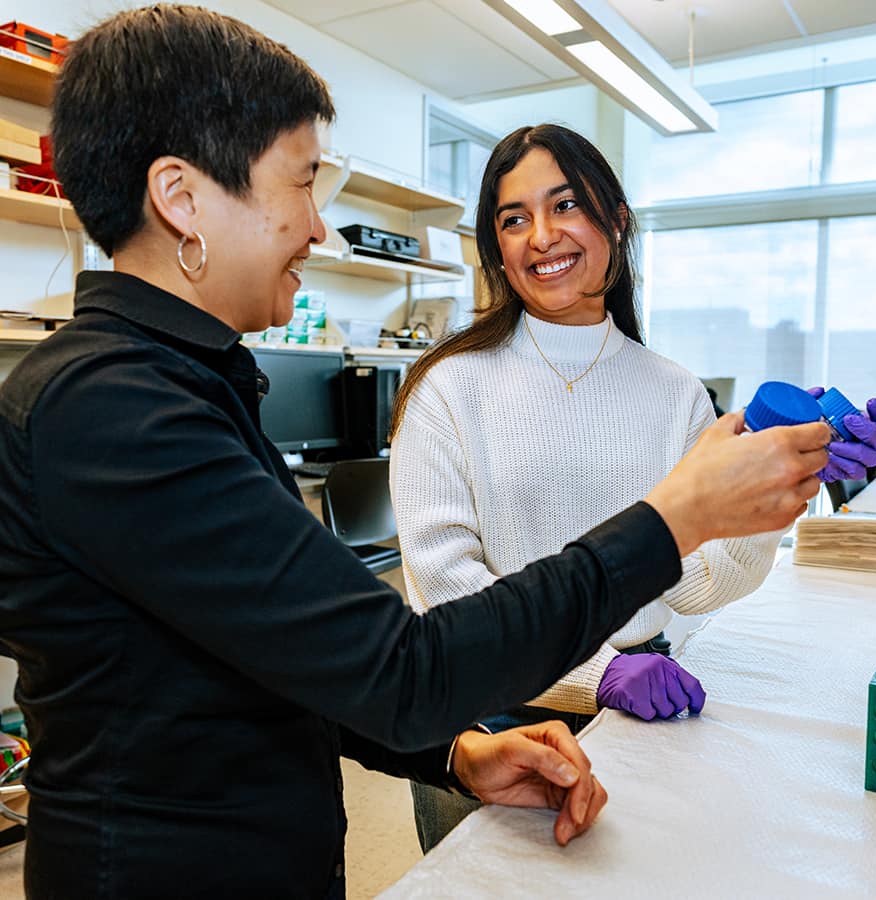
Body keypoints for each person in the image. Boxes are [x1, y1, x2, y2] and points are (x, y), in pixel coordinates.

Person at [0, 9, 831, 899]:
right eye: (302, 183)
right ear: (180, 198)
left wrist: (453, 752)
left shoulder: (186, 383)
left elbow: (298, 655)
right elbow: (406, 665)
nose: (318, 229)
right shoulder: (113, 409)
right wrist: (674, 518)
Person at [388, 123, 876, 851]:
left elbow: (693, 581)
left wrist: (781, 484)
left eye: (565, 206)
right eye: (513, 218)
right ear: (494, 246)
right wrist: (600, 673)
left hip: (643, 710)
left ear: (616, 220)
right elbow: (444, 589)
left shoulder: (674, 392)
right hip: (491, 723)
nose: (540, 237)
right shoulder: (446, 389)